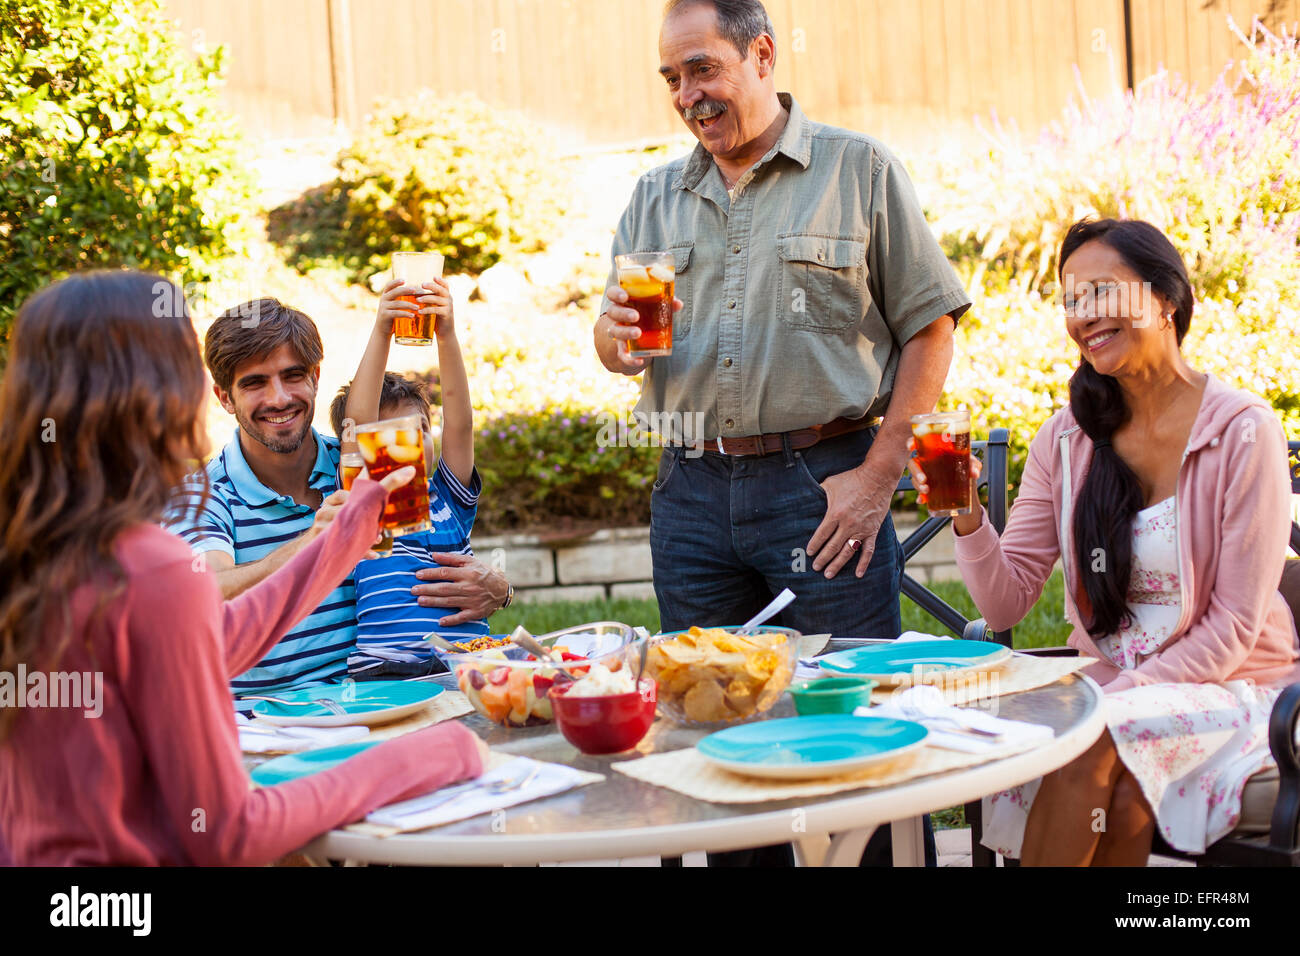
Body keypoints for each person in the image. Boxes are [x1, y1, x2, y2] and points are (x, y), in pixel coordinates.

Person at [593, 0, 968, 866]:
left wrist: (879, 472)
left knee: (849, 738)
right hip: (687, 493)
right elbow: (615, 346)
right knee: (713, 746)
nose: (687, 94)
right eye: (672, 78)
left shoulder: (858, 169)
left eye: (703, 69)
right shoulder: (654, 196)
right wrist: (612, 338)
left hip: (821, 486)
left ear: (761, 54)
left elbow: (932, 326)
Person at [0, 271, 486, 865]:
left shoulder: (48, 543)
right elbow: (229, 834)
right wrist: (440, 754)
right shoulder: (148, 553)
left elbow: (209, 640)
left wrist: (346, 534)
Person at [910, 218, 1300, 865]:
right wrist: (968, 514)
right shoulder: (1066, 438)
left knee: (1087, 742)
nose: (1083, 314)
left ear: (1166, 298)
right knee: (1116, 797)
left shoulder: (1241, 430)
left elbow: (1233, 627)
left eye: (1102, 292)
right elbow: (1005, 604)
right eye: (1071, 299)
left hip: (1235, 689)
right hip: (1118, 687)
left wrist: (1107, 701)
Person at [167, 296, 509, 708]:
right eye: (255, 383)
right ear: (224, 398)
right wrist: (311, 542)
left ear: (314, 378)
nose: (278, 399)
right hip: (272, 721)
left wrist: (500, 589)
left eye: (292, 376)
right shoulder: (202, 497)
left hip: (389, 701)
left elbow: (454, 436)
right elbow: (203, 591)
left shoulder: (366, 464)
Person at [329, 273, 494, 680]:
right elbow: (358, 421)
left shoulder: (448, 498)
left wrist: (447, 335)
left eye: (421, 428)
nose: (416, 441)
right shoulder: (366, 501)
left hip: (467, 666)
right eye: (397, 434)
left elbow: (461, 424)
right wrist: (383, 329)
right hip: (388, 671)